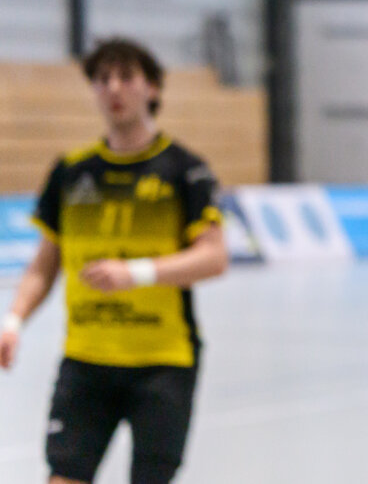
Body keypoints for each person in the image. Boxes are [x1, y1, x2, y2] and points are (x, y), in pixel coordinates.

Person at [0, 38, 229, 484]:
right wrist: (13, 321)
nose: (114, 88)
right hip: (86, 360)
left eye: (126, 76)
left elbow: (214, 257)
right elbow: (44, 265)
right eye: (103, 79)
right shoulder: (71, 171)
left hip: (163, 362)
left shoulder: (183, 170)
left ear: (153, 88)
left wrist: (137, 273)